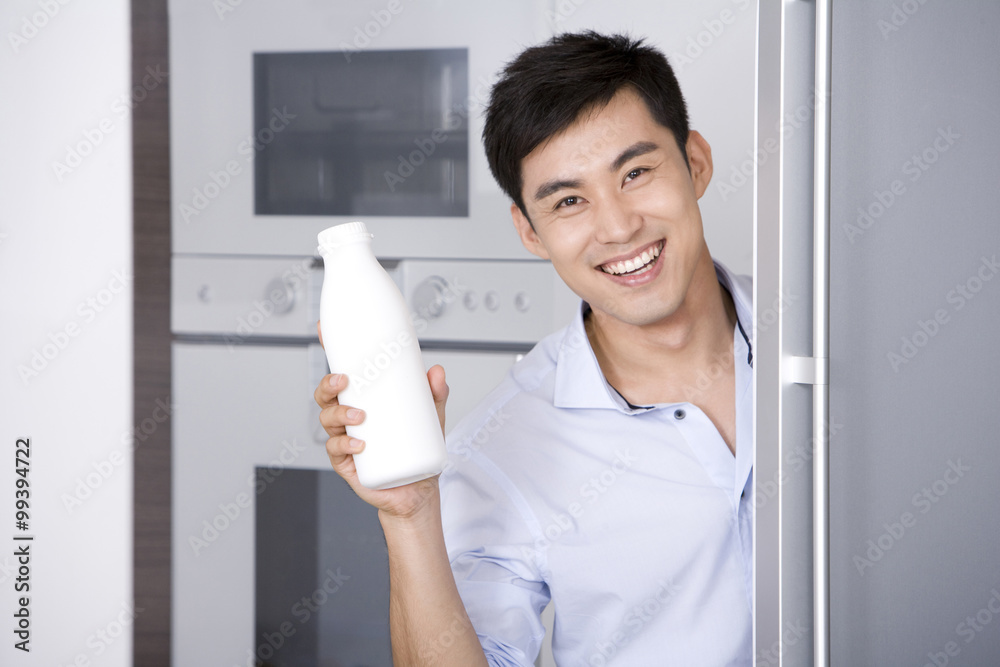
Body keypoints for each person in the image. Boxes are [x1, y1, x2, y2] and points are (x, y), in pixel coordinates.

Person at [315, 31, 753, 666]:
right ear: (530, 231)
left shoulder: (831, 340)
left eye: (636, 172)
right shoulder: (503, 443)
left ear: (697, 163)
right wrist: (409, 516)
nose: (618, 226)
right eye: (569, 200)